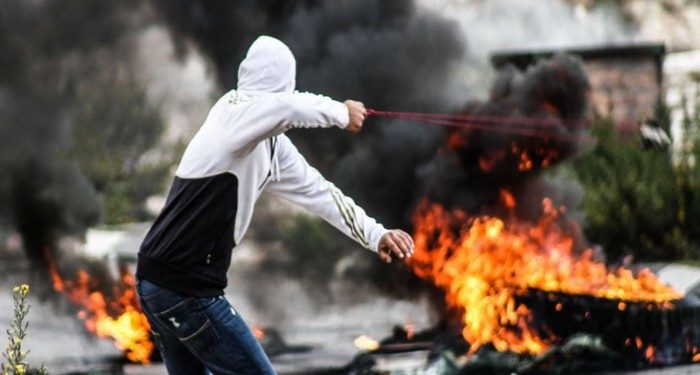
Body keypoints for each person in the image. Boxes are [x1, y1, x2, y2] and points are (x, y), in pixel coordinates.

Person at [134, 35, 414, 374]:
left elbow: (322, 194)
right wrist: (341, 112)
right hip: (185, 290)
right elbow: (286, 108)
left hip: (157, 281)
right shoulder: (232, 115)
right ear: (286, 86)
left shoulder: (270, 146)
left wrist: (376, 234)